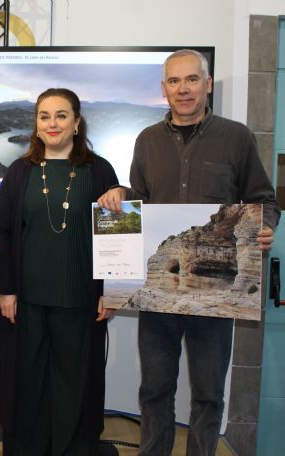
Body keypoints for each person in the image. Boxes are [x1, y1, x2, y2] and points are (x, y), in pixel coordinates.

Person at [97, 49, 281, 456]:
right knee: (156, 388)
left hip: (217, 288)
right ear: (164, 89)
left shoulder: (237, 137)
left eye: (192, 80)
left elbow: (263, 198)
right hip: (161, 286)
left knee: (209, 392)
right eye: (175, 82)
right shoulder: (146, 141)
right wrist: (121, 197)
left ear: (208, 83)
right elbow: (142, 203)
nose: (183, 89)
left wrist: (265, 226)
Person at [0, 88, 118, 456]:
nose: (53, 123)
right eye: (45, 116)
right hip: (26, 301)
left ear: (77, 122)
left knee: (73, 382)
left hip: (81, 299)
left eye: (61, 115)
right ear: (36, 123)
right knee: (28, 381)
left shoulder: (100, 170)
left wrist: (113, 291)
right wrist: (6, 290)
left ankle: (72, 449)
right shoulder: (19, 172)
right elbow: (4, 234)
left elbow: (117, 238)